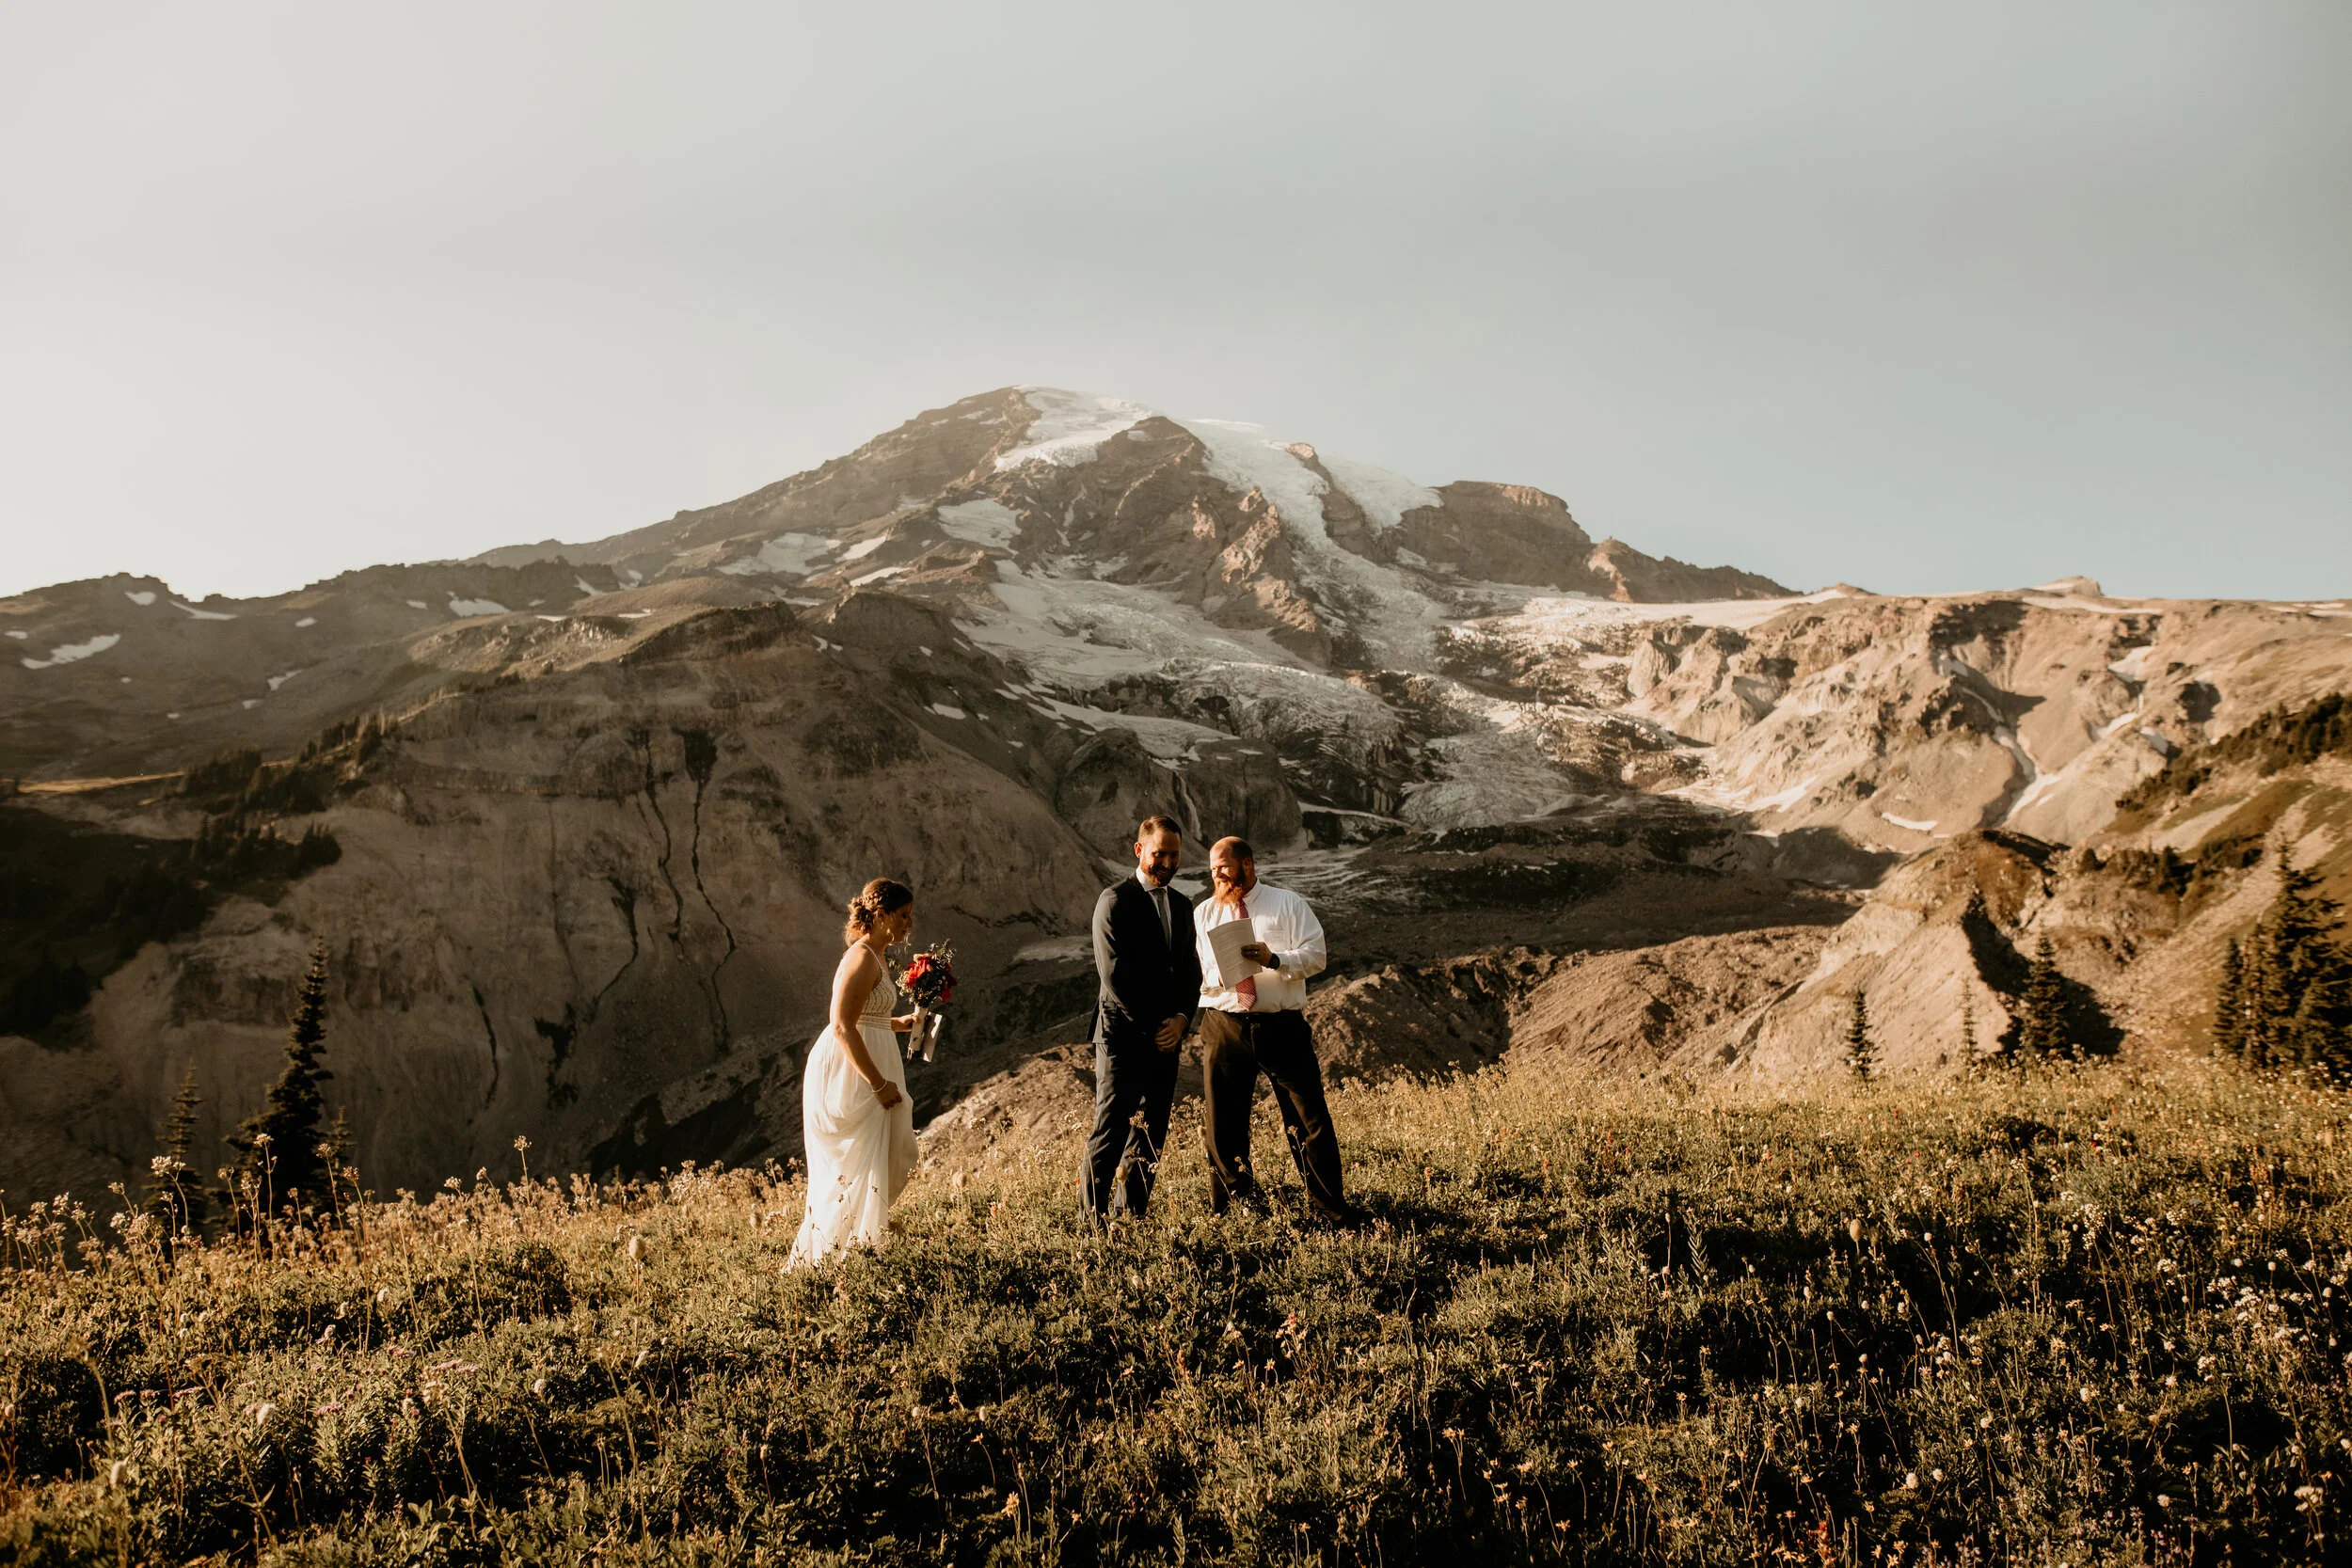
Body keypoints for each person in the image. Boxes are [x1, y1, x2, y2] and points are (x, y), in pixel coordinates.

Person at [1193, 835, 1352, 1223]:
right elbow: (1198, 971)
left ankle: (1329, 1211)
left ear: (1247, 864)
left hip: (1281, 1025)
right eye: (1212, 869)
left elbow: (1316, 955)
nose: (1216, 875)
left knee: (1308, 1119)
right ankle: (1237, 1213)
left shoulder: (1288, 903)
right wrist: (1222, 976)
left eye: (1223, 867)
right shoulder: (1204, 913)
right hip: (1224, 1024)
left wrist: (1273, 958)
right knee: (1224, 1124)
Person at [788, 878, 920, 1267]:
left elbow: (869, 1016)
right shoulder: (862, 957)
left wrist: (901, 1024)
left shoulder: (877, 956)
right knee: (856, 1164)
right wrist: (877, 1083)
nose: (909, 924)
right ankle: (833, 1259)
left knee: (872, 1160)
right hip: (854, 1070)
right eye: (903, 916)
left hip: (871, 1059)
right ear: (880, 916)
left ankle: (858, 1254)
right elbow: (843, 1025)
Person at [1080, 816, 1202, 1225]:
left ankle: (1131, 1217)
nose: (1167, 862)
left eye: (1174, 855)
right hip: (1122, 1037)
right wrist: (1158, 1027)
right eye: (1159, 854)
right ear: (1139, 851)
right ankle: (1090, 1225)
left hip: (1168, 1036)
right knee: (1111, 1130)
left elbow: (1190, 970)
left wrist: (1183, 1019)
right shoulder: (1114, 900)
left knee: (1151, 1133)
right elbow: (1114, 976)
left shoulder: (1183, 906)